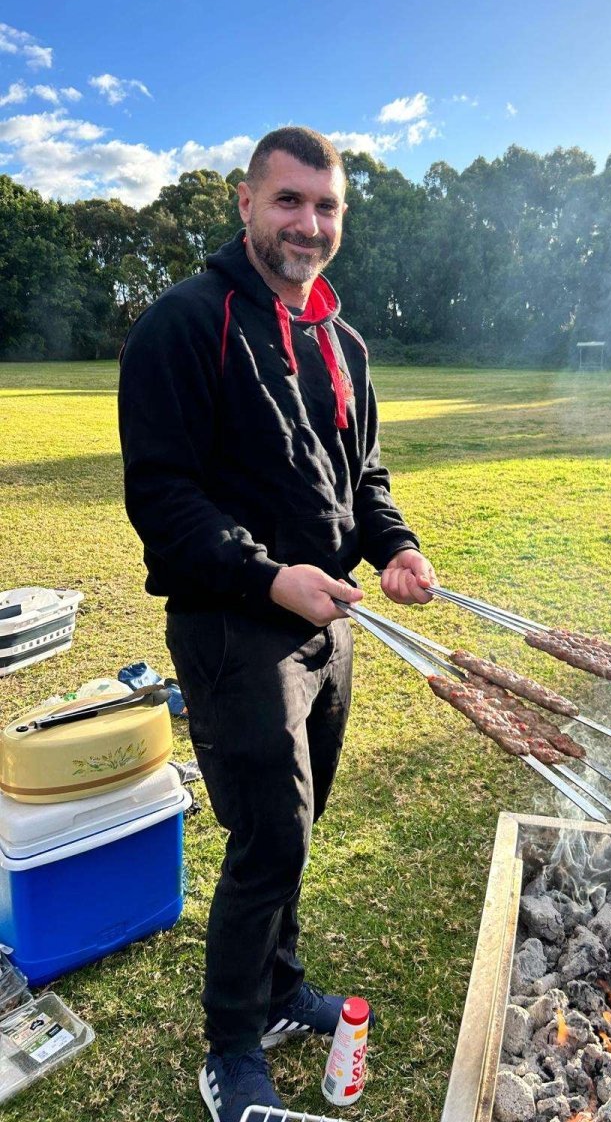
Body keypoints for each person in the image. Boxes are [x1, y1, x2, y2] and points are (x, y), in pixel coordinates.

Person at [118, 127, 435, 1122]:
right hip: (232, 623)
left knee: (297, 826)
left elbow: (364, 476)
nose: (309, 223)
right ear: (246, 204)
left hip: (327, 618)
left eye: (326, 206)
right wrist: (267, 577)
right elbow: (161, 495)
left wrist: (394, 545)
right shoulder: (184, 322)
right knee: (269, 835)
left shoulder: (343, 341)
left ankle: (278, 986)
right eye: (289, 201)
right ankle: (229, 1049)